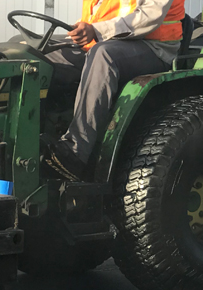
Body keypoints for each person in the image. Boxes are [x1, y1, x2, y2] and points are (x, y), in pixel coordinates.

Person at [42, 0, 186, 181]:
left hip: (154, 46)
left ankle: (75, 152)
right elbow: (100, 15)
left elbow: (149, 16)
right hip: (109, 40)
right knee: (38, 54)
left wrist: (96, 30)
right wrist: (82, 30)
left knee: (103, 55)